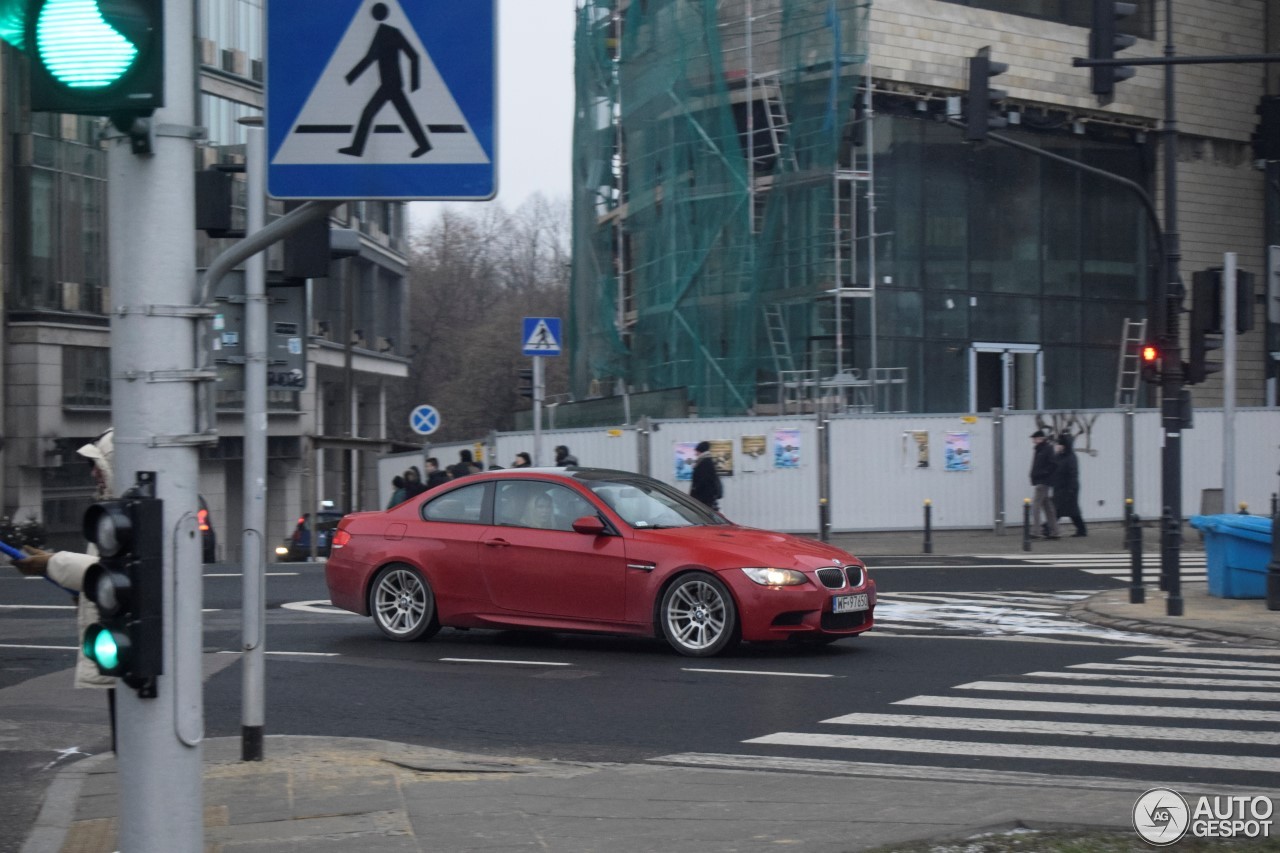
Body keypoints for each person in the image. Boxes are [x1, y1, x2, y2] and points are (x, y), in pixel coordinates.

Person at [9, 430, 119, 697]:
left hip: (130, 654)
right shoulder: (114, 513)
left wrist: (51, 564)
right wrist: (84, 593)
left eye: (97, 464)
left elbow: (113, 573)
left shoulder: (128, 517)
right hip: (121, 648)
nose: (93, 474)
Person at [1051, 433, 1087, 537]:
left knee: (1067, 510)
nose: (1057, 446)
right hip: (1060, 487)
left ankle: (1049, 527)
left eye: (1059, 445)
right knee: (1066, 510)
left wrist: (1071, 489)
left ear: (1064, 446)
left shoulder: (1071, 458)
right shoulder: (1059, 456)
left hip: (1069, 487)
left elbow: (1073, 474)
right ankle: (1081, 530)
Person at [1029, 429, 1059, 539]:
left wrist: (1041, 474)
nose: (1033, 441)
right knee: (1048, 508)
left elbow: (1053, 464)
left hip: (1043, 482)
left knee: (1035, 506)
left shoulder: (1046, 449)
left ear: (1041, 439)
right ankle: (1055, 532)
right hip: (1041, 481)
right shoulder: (1040, 449)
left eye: (1035, 439)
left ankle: (1036, 531)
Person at [690, 440, 723, 511]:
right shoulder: (705, 461)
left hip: (704, 499)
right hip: (705, 498)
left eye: (697, 451)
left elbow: (702, 481)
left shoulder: (705, 462)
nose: (696, 454)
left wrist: (694, 494)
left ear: (700, 451)